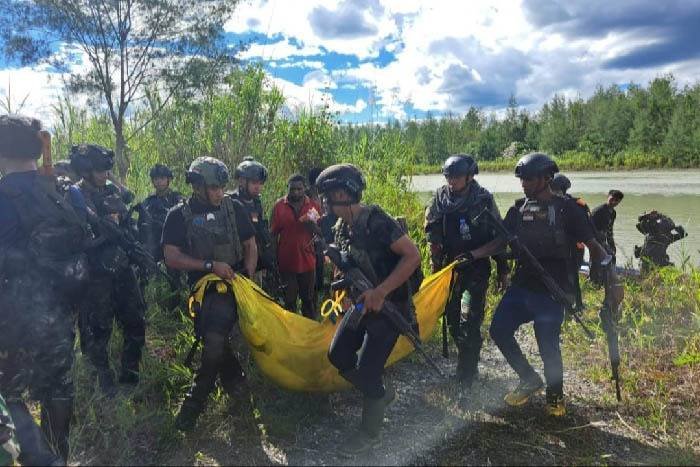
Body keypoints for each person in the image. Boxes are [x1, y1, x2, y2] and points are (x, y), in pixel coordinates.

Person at [470, 153, 622, 417]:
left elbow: (596, 248)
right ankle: (529, 378)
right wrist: (473, 255)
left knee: (547, 344)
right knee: (499, 330)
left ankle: (555, 396)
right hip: (522, 285)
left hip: (554, 290)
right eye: (521, 179)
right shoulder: (517, 210)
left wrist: (613, 282)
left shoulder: (569, 210)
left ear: (546, 178)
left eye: (529, 178)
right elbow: (500, 242)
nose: (524, 184)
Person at [0, 115, 91, 464]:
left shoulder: (3, 196)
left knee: (7, 395)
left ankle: (43, 460)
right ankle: (58, 455)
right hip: (60, 311)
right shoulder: (69, 191)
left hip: (11, 316)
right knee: (58, 388)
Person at [317, 164, 421, 455]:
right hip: (361, 303)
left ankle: (369, 433)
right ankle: (380, 394)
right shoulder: (341, 228)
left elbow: (412, 256)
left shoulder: (376, 221)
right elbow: (347, 265)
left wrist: (381, 291)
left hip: (390, 307)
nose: (326, 203)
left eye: (329, 196)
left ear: (343, 193)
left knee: (369, 370)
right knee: (338, 354)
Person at [162, 156, 257, 431]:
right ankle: (238, 388)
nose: (218, 193)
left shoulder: (234, 208)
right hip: (204, 290)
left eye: (220, 187)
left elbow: (250, 244)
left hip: (235, 285)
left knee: (214, 342)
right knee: (215, 342)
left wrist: (247, 279)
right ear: (197, 187)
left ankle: (193, 405)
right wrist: (208, 266)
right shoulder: (178, 216)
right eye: (213, 188)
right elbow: (171, 256)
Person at [424, 154, 508, 387]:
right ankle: (467, 360)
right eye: (448, 176)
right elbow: (432, 233)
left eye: (457, 177)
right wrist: (435, 264)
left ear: (469, 177)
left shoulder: (483, 199)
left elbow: (499, 237)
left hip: (476, 266)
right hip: (450, 268)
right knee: (451, 320)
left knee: (469, 320)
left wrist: (502, 268)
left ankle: (467, 375)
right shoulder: (440, 198)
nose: (452, 181)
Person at [70, 144, 147, 395]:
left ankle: (130, 374)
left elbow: (127, 225)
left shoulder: (113, 191)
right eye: (100, 169)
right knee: (97, 329)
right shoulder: (74, 196)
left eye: (107, 169)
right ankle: (103, 384)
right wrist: (102, 239)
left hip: (122, 268)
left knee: (135, 319)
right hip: (95, 275)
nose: (105, 173)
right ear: (85, 170)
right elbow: (76, 239)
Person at [271, 174, 322, 319]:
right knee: (289, 302)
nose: (296, 192)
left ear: (304, 188)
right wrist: (274, 260)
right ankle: (291, 335)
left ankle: (310, 333)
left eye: (299, 189)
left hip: (308, 261)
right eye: (292, 189)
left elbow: (322, 232)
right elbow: (273, 234)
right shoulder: (279, 206)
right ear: (288, 189)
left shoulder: (313, 206)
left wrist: (312, 226)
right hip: (286, 264)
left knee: (308, 301)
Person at [229, 157, 273, 285]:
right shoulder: (230, 202)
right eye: (254, 183)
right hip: (235, 262)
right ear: (242, 181)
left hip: (254, 260)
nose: (258, 187)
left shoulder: (256, 202)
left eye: (260, 183)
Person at [550, 173, 591, 310]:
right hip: (567, 250)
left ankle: (572, 308)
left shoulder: (570, 205)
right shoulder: (575, 204)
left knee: (570, 279)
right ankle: (575, 306)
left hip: (570, 250)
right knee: (571, 278)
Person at [139, 164, 182, 260]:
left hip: (174, 241)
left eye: (162, 178)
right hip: (155, 241)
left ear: (168, 180)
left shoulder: (176, 198)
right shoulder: (149, 201)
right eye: (156, 179)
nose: (159, 182)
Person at [591, 189, 624, 258]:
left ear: (619, 202)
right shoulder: (598, 211)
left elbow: (609, 229)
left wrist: (611, 244)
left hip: (603, 238)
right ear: (607, 197)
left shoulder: (613, 213)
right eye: (612, 199)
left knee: (611, 255)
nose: (613, 202)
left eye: (616, 200)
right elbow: (588, 226)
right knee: (597, 260)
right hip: (594, 239)